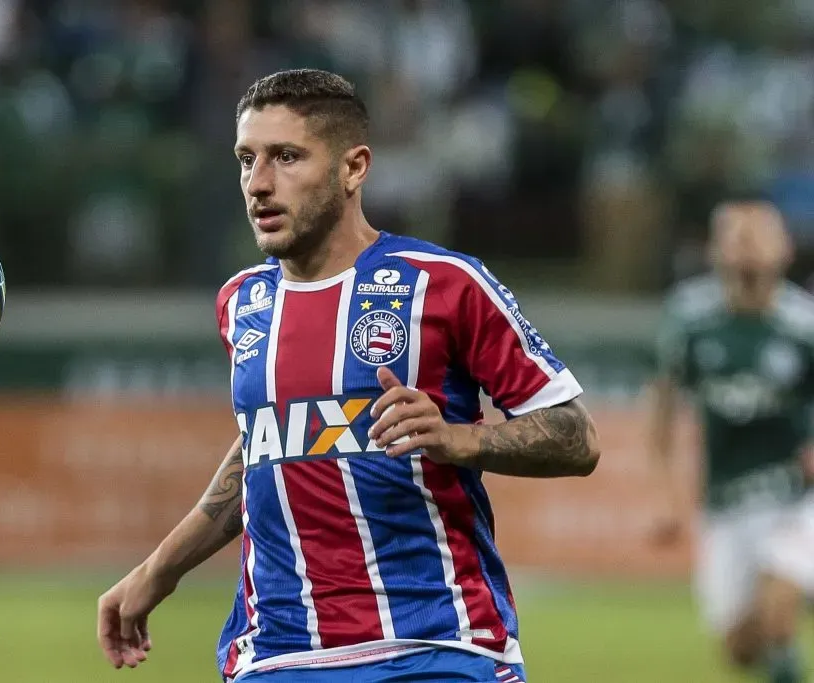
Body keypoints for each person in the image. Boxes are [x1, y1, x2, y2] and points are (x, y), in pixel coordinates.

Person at [97, 68, 601, 683]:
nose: (258, 184)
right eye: (246, 159)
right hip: (277, 654)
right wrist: (159, 570)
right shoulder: (243, 302)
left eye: (286, 157)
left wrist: (461, 439)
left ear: (354, 168)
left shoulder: (442, 284)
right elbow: (266, 445)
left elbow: (576, 436)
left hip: (436, 646)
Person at [649, 200, 814, 683]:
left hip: (795, 497)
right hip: (725, 503)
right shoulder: (690, 320)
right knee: (741, 648)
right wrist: (665, 496)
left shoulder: (803, 326)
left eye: (758, 234)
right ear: (714, 250)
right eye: (735, 235)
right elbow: (662, 403)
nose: (746, 245)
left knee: (778, 608)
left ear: (784, 248)